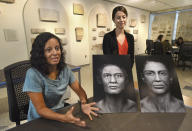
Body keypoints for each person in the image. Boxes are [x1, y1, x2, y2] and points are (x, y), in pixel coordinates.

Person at [23, 32, 99, 127]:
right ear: (40, 53)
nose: (55, 53)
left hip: (59, 113)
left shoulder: (65, 69)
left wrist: (84, 103)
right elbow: (41, 109)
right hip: (39, 120)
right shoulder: (33, 74)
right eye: (49, 50)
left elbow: (80, 91)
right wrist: (64, 118)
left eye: (57, 48)